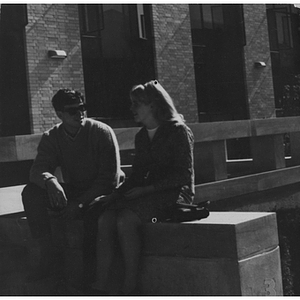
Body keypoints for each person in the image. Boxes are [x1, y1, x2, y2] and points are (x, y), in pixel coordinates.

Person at [89, 80, 195, 295]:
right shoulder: (141, 136)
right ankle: (100, 284)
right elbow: (137, 176)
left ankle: (130, 285)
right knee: (105, 218)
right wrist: (113, 196)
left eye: (136, 104)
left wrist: (148, 190)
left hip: (176, 193)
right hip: (147, 192)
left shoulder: (178, 131)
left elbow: (183, 174)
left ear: (153, 105)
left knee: (126, 220)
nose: (132, 109)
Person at [22, 89, 123, 284]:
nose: (80, 114)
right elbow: (36, 171)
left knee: (94, 218)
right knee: (31, 192)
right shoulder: (52, 136)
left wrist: (78, 204)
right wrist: (49, 180)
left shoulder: (101, 132)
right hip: (75, 189)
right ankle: (47, 254)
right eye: (72, 111)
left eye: (82, 108)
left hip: (102, 193)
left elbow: (109, 180)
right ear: (59, 114)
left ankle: (89, 277)